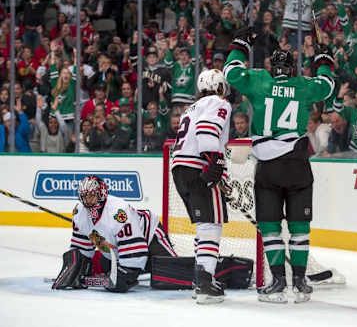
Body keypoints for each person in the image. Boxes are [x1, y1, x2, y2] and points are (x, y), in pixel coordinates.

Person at [224, 28, 335, 303]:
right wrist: (323, 60)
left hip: (268, 168)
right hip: (298, 165)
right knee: (300, 228)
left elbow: (230, 72)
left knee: (271, 227)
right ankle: (299, 283)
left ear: (271, 67)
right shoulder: (304, 85)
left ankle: (278, 282)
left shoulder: (260, 81)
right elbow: (327, 85)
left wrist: (241, 45)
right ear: (294, 67)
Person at [51, 176, 176, 292]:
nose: (88, 201)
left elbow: (134, 248)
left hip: (149, 238)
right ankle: (141, 267)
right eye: (84, 197)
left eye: (92, 196)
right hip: (118, 248)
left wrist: (128, 271)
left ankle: (145, 267)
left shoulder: (118, 211)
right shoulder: (79, 212)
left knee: (172, 273)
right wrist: (74, 269)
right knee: (108, 268)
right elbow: (81, 249)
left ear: (102, 194)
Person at [171, 68, 232, 304]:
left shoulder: (191, 107)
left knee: (203, 225)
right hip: (199, 167)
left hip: (180, 170)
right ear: (219, 86)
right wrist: (215, 166)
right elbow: (207, 129)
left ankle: (201, 279)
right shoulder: (218, 102)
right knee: (211, 225)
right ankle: (205, 282)